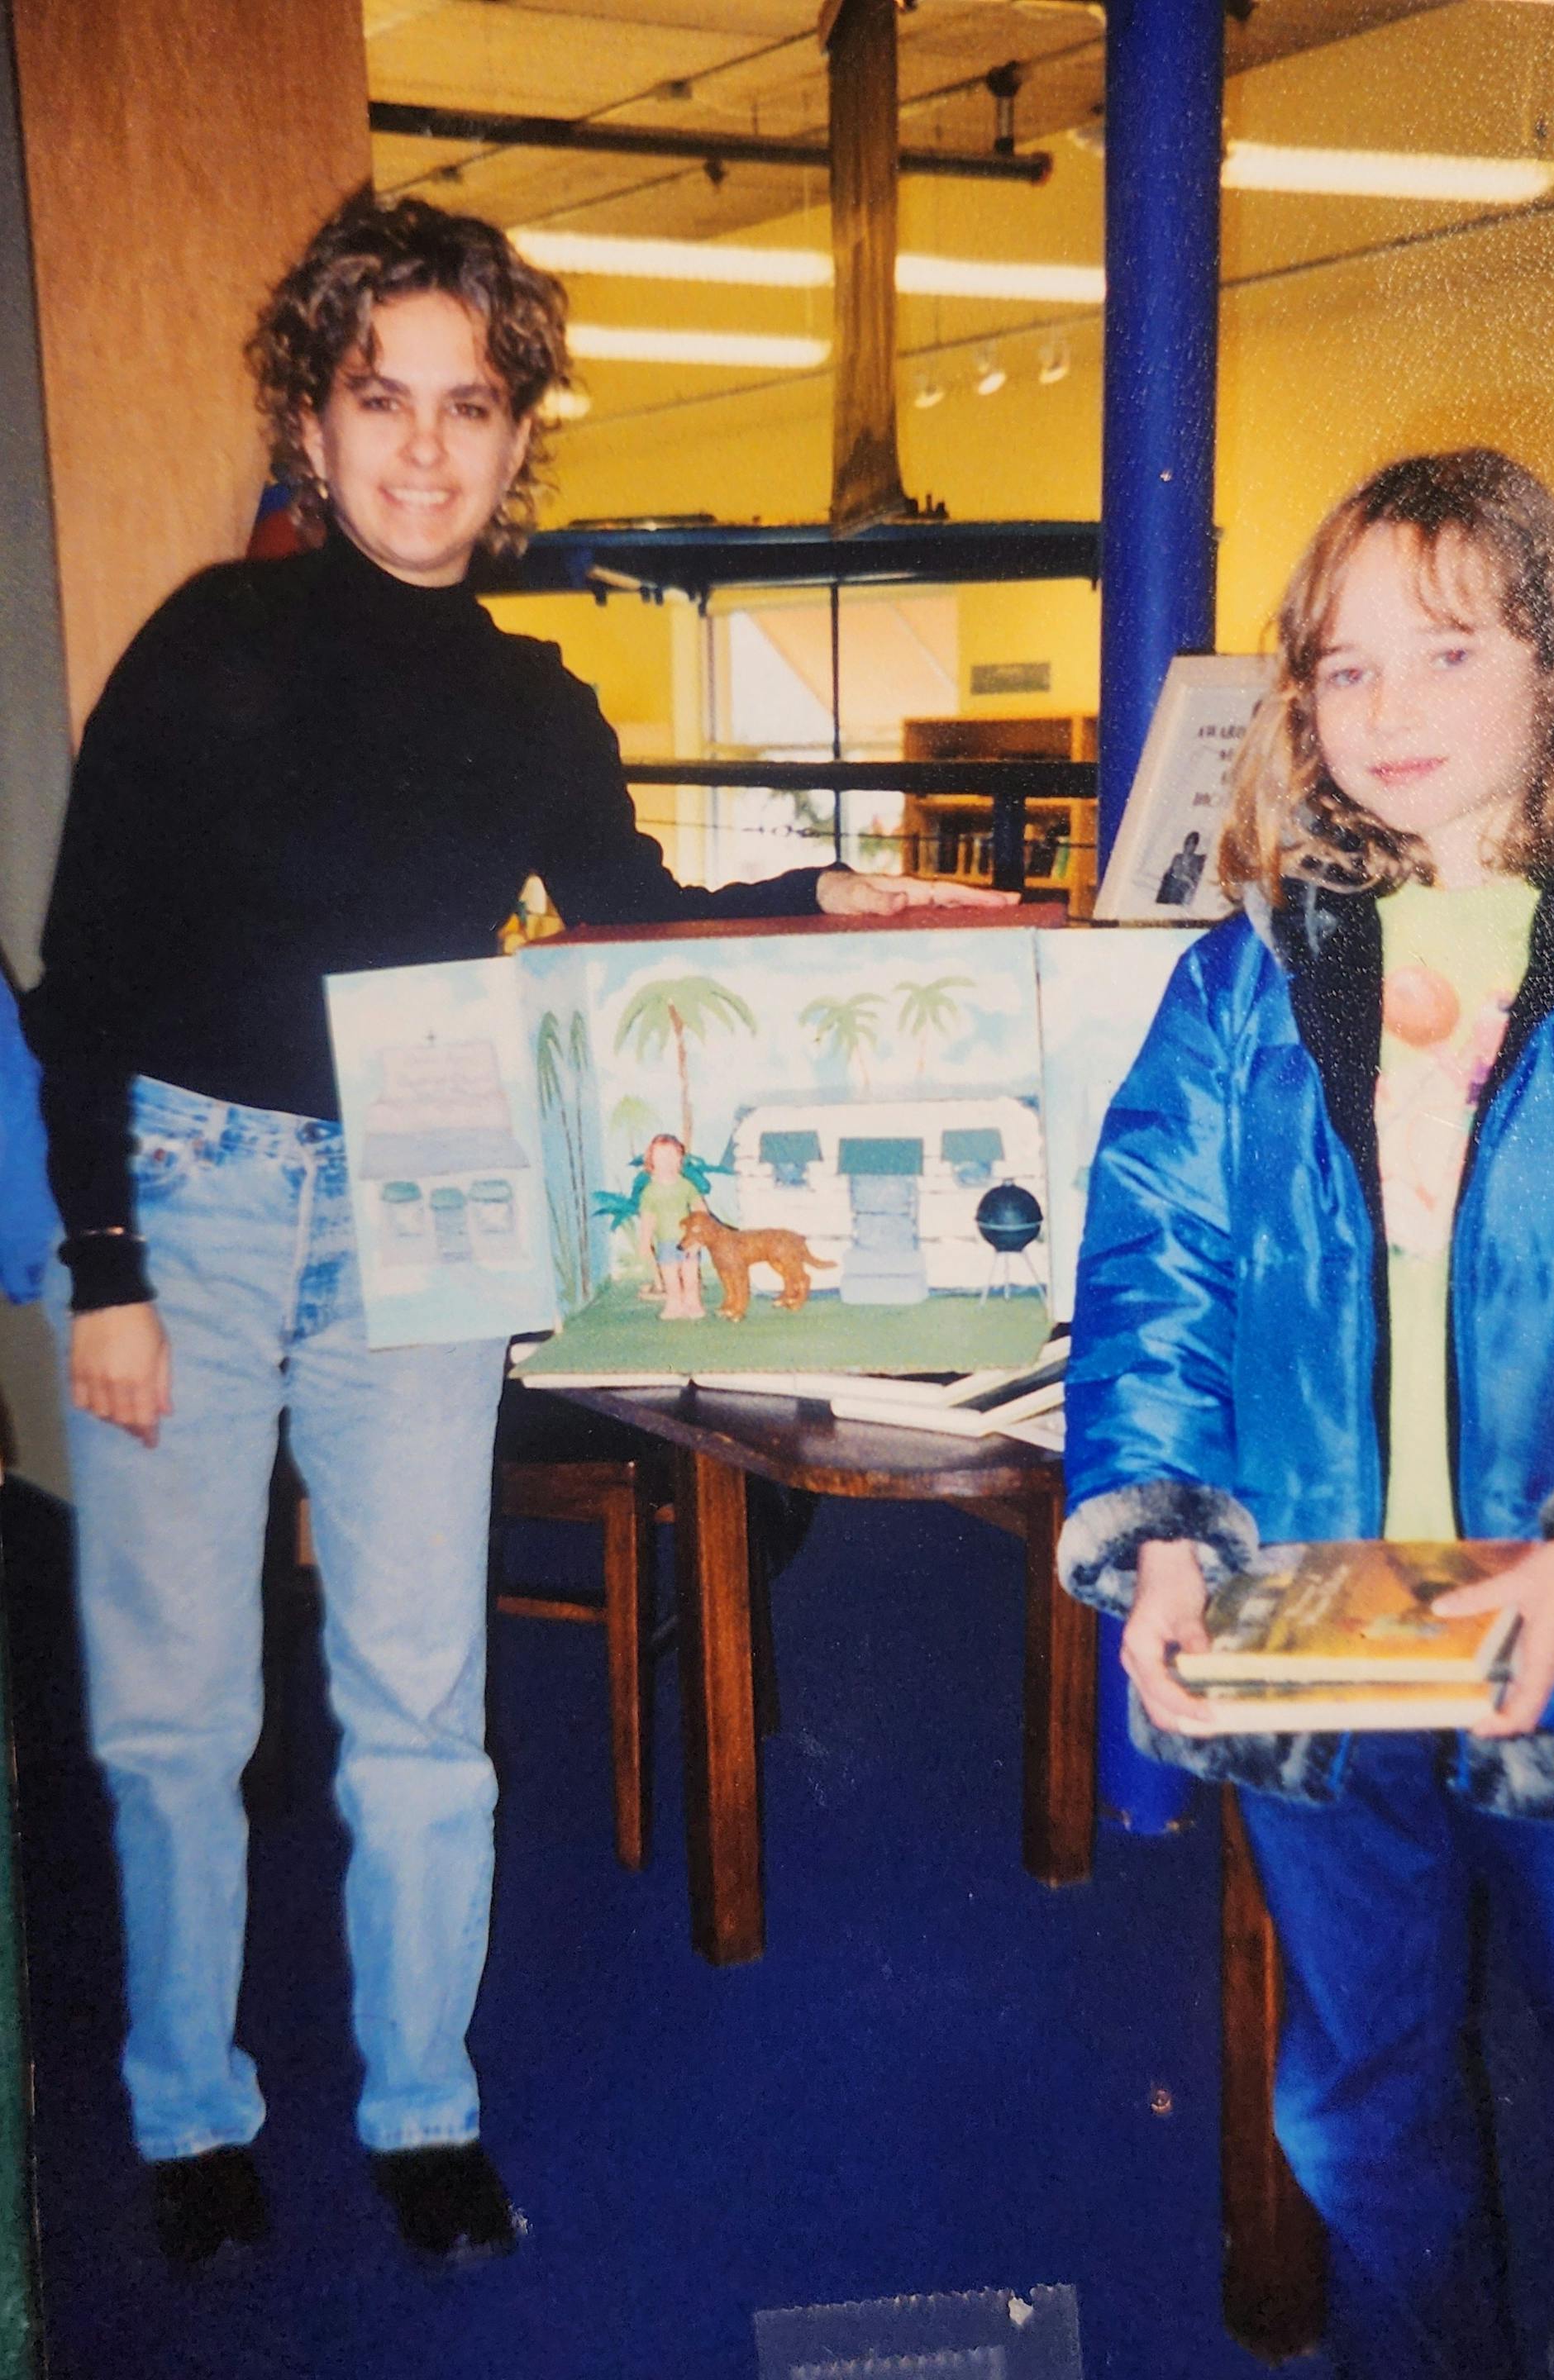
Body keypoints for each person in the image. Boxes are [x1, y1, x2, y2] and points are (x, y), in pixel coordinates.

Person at [24, 188, 1006, 2270]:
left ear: (518, 434)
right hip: (184, 1208)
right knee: (179, 1708)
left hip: (409, 1207)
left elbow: (631, 905)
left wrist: (812, 897)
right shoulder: (207, 644)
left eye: (470, 406)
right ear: (312, 408)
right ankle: (188, 2113)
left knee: (418, 1702)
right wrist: (100, 1263)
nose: (425, 449)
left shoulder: (533, 696)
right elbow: (87, 970)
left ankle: (420, 2103)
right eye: (381, 396)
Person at [1058, 450, 1554, 2379]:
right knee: (1352, 2105)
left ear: (1553, 665)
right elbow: (1154, 1266)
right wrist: (1158, 1547)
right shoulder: (1247, 981)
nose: (1381, 713)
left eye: (1441, 655)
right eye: (1342, 669)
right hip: (1324, 1620)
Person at [635, 1134, 706, 1319]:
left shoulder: (686, 1186)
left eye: (671, 1156)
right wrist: (644, 1241)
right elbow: (648, 1219)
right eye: (660, 1157)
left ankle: (692, 1302)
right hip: (666, 1242)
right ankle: (674, 1303)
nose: (666, 1162)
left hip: (688, 1240)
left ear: (679, 1158)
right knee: (670, 1276)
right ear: (652, 1161)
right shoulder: (649, 1193)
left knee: (691, 1274)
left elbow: (701, 1211)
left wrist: (699, 1236)